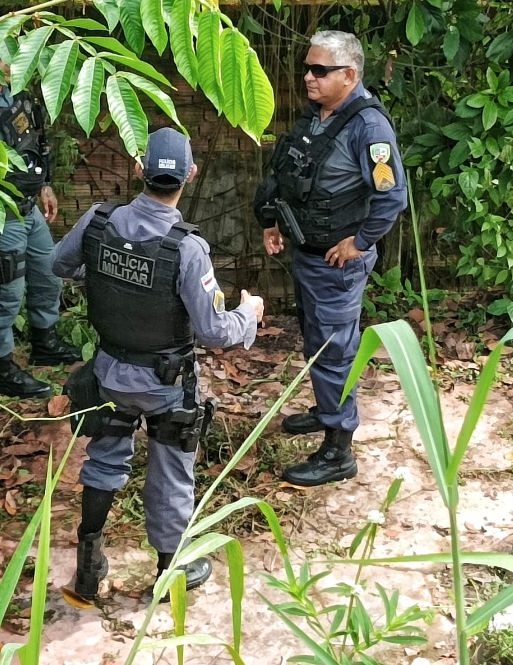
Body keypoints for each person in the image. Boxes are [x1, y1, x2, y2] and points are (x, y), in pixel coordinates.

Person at [52, 128, 265, 602]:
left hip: (110, 372)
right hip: (166, 385)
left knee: (104, 460)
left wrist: (104, 277)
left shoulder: (98, 220)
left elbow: (58, 265)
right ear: (191, 175)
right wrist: (248, 314)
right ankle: (171, 574)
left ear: (139, 169)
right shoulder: (186, 248)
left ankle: (88, 569)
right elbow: (214, 332)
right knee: (171, 472)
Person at [254, 31, 407, 487]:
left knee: (334, 351)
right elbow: (289, 171)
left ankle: (339, 451)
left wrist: (360, 242)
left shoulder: (369, 128)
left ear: (349, 75)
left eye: (319, 70)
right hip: (308, 253)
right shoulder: (318, 113)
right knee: (317, 340)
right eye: (308, 68)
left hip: (337, 264)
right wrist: (272, 219)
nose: (308, 77)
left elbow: (392, 196)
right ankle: (326, 410)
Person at [0, 55, 81, 399]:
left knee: (49, 272)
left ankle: (45, 343)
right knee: (5, 294)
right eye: (4, 58)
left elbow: (34, 144)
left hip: (27, 208)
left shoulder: (17, 94)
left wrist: (44, 186)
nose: (14, 64)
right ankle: (2, 368)